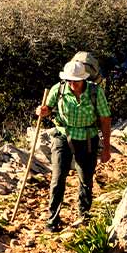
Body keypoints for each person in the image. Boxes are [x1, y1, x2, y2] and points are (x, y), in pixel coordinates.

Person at [36, 57, 112, 231]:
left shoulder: (95, 92)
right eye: (69, 80)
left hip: (87, 139)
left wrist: (106, 148)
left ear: (83, 79)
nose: (72, 84)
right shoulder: (59, 89)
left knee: (85, 179)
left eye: (76, 81)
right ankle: (52, 220)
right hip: (63, 136)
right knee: (57, 178)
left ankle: (83, 216)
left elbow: (105, 119)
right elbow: (48, 108)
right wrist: (43, 111)